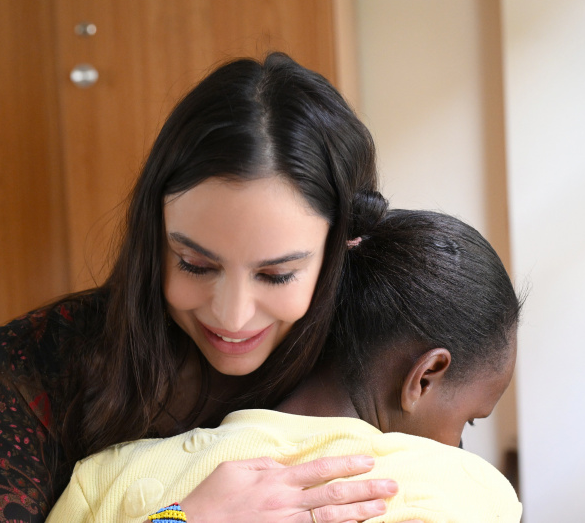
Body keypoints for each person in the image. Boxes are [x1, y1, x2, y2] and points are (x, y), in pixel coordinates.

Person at [0, 53, 400, 523]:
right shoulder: (43, 360)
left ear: (342, 247)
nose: (232, 317)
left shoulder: (385, 355)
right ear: (154, 235)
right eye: (195, 265)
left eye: (276, 275)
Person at [46, 205, 524, 523]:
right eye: (469, 421)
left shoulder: (105, 478)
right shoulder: (472, 493)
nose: (459, 446)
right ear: (424, 376)